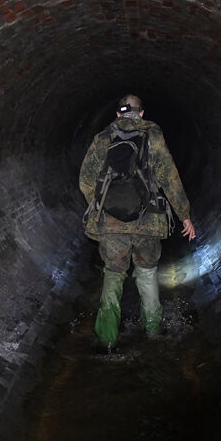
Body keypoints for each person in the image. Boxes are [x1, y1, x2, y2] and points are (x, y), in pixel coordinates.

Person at [79, 94, 196, 350]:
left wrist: (102, 205)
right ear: (141, 113)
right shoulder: (153, 136)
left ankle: (108, 337)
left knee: (113, 274)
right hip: (148, 221)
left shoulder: (103, 138)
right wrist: (184, 215)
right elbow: (170, 179)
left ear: (118, 114)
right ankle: (153, 330)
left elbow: (85, 180)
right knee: (147, 272)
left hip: (111, 223)